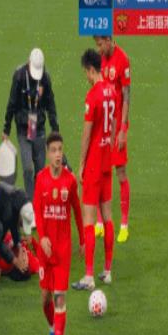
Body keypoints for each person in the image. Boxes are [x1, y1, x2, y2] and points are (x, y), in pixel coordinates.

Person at [33, 132, 84, 335]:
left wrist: (82, 239)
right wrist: (42, 236)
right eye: (53, 150)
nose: (57, 154)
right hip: (45, 251)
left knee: (59, 299)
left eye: (60, 150)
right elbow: (37, 209)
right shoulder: (41, 179)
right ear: (47, 153)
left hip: (62, 250)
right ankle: (52, 329)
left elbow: (77, 210)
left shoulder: (70, 181)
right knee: (45, 298)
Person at [72, 49, 116, 291]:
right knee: (107, 217)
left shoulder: (93, 96)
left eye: (86, 72)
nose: (86, 77)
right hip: (108, 161)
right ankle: (107, 271)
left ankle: (88, 276)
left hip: (94, 164)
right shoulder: (111, 90)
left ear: (91, 69)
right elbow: (113, 124)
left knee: (89, 221)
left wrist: (81, 164)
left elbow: (87, 134)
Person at [2, 48, 60, 200]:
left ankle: (38, 202)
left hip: (39, 129)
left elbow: (50, 104)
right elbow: (12, 102)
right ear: (28, 63)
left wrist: (55, 130)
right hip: (23, 129)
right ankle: (30, 202)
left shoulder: (45, 78)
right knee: (28, 168)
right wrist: (6, 128)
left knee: (40, 171)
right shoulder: (19, 76)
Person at [94, 36, 132, 242]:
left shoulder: (122, 59)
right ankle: (100, 221)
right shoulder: (99, 59)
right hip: (102, 124)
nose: (99, 48)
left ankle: (124, 224)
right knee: (100, 171)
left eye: (100, 44)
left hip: (116, 126)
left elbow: (126, 96)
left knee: (120, 172)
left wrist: (123, 129)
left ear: (109, 40)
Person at [0, 182, 34, 282]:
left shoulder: (22, 201)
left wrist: (19, 247)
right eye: (22, 223)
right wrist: (15, 260)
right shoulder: (10, 210)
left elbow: (14, 224)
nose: (22, 226)